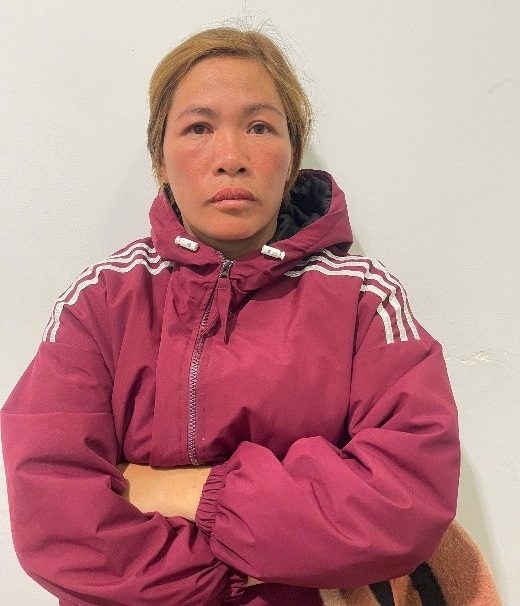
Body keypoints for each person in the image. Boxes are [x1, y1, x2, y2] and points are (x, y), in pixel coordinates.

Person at [1, 27, 460, 606]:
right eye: (198, 128)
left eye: (260, 127)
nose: (231, 159)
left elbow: (405, 504)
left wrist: (196, 494)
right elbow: (56, 526)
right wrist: (269, 563)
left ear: (292, 157)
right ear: (160, 161)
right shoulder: (101, 302)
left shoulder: (365, 301)